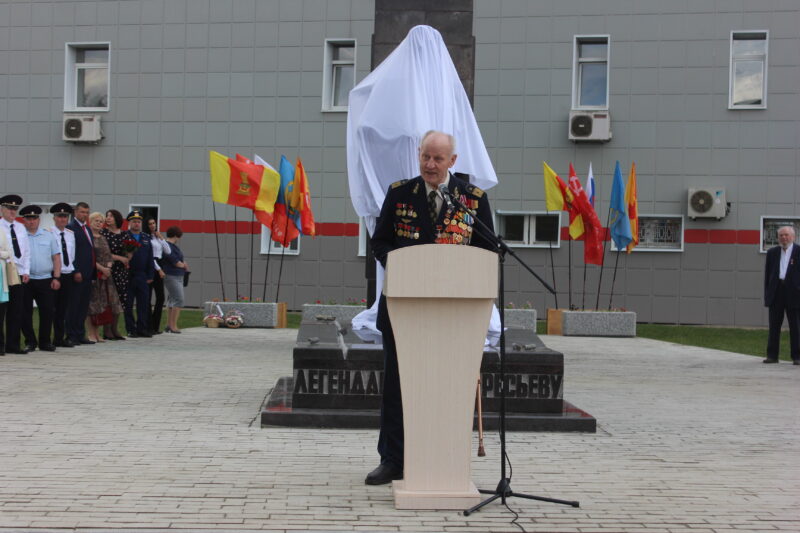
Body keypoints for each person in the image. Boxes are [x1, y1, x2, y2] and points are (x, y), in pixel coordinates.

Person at [366, 130, 496, 485]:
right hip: (404, 308)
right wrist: (406, 267)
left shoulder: (470, 199)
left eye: (438, 159)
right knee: (398, 386)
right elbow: (380, 242)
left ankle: (445, 459)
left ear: (453, 162)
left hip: (455, 315)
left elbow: (487, 251)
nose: (430, 164)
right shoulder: (399, 194)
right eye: (425, 156)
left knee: (446, 387)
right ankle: (393, 459)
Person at [19, 205, 61, 352]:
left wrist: (57, 277)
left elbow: (56, 258)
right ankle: (30, 341)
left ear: (39, 219)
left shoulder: (48, 236)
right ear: (24, 220)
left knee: (47, 311)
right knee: (25, 311)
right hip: (26, 279)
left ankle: (45, 342)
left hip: (45, 279)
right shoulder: (20, 236)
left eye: (34, 218)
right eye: (28, 219)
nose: (32, 221)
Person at [763, 225, 800, 365]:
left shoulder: (798, 251)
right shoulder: (772, 252)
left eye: (787, 235)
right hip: (777, 292)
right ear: (778, 238)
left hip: (795, 293)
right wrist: (768, 294)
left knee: (796, 326)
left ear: (793, 237)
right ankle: (772, 356)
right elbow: (768, 276)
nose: (784, 238)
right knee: (774, 326)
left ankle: (797, 356)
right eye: (781, 235)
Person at [0, 194, 31, 354]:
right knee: (1, 310)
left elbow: (26, 251)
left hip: (18, 272)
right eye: (9, 208)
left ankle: (13, 344)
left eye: (15, 209)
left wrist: (26, 271)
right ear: (2, 209)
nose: (12, 211)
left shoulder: (20, 227)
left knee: (16, 310)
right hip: (3, 272)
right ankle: (1, 345)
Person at [86, 212, 123, 343]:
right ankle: (90, 333)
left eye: (101, 221)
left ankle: (98, 333)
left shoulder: (103, 237)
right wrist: (101, 269)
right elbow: (89, 257)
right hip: (94, 273)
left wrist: (108, 267)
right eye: (96, 220)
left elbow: (108, 255)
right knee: (93, 304)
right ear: (90, 221)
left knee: (103, 304)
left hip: (106, 275)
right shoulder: (89, 237)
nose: (98, 223)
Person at [67, 201, 96, 345]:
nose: (84, 215)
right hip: (77, 274)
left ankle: (80, 334)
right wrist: (76, 270)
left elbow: (90, 251)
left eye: (87, 212)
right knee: (74, 305)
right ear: (75, 212)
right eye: (82, 212)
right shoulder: (71, 228)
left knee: (83, 306)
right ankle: (71, 334)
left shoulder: (87, 229)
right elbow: (71, 253)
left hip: (88, 273)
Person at [123, 210, 154, 338]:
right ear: (129, 223)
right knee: (128, 304)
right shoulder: (124, 236)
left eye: (139, 222)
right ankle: (131, 329)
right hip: (128, 274)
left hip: (142, 275)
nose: (136, 224)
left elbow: (150, 258)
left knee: (143, 303)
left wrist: (150, 275)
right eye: (134, 221)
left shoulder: (146, 238)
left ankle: (142, 328)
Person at [50, 203, 76, 348]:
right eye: (60, 216)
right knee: (51, 307)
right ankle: (48, 337)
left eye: (65, 216)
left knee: (63, 308)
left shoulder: (70, 234)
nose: (62, 219)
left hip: (67, 274)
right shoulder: (48, 233)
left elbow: (71, 255)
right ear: (54, 218)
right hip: (54, 274)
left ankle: (59, 338)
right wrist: (55, 275)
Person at [101, 209, 129, 340]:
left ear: (117, 218)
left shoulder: (124, 235)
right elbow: (104, 252)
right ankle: (106, 330)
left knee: (120, 300)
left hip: (121, 272)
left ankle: (114, 328)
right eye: (107, 216)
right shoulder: (104, 233)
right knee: (109, 300)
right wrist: (120, 258)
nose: (108, 218)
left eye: (111, 216)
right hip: (109, 270)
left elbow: (129, 251)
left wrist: (129, 256)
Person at [145, 217, 169, 334]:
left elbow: (168, 251)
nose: (152, 225)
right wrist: (158, 269)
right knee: (148, 297)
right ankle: (148, 326)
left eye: (153, 223)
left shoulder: (158, 237)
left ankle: (155, 325)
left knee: (160, 297)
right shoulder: (146, 238)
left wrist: (162, 238)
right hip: (151, 265)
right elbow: (149, 256)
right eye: (150, 224)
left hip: (159, 263)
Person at [161, 226, 187, 334]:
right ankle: (173, 326)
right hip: (172, 275)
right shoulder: (168, 246)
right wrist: (182, 265)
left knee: (172, 300)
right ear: (176, 235)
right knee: (179, 300)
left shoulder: (173, 246)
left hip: (177, 275)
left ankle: (168, 325)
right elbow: (174, 260)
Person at [0, 210, 15, 356]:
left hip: (1, 277)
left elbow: (7, 253)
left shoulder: (1, 231)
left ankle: (1, 346)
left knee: (1, 313)